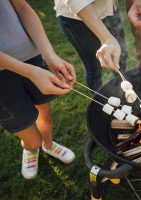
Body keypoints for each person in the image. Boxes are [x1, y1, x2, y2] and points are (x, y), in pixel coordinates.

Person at [0, 0, 77, 179]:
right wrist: (32, 73)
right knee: (29, 133)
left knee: (44, 112)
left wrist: (49, 55)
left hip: (31, 55)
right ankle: (31, 148)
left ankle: (48, 145)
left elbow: (22, 7)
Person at [54, 0, 128, 90]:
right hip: (77, 16)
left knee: (120, 57)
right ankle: (101, 100)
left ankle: (122, 90)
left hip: (109, 8)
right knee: (93, 67)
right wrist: (106, 38)